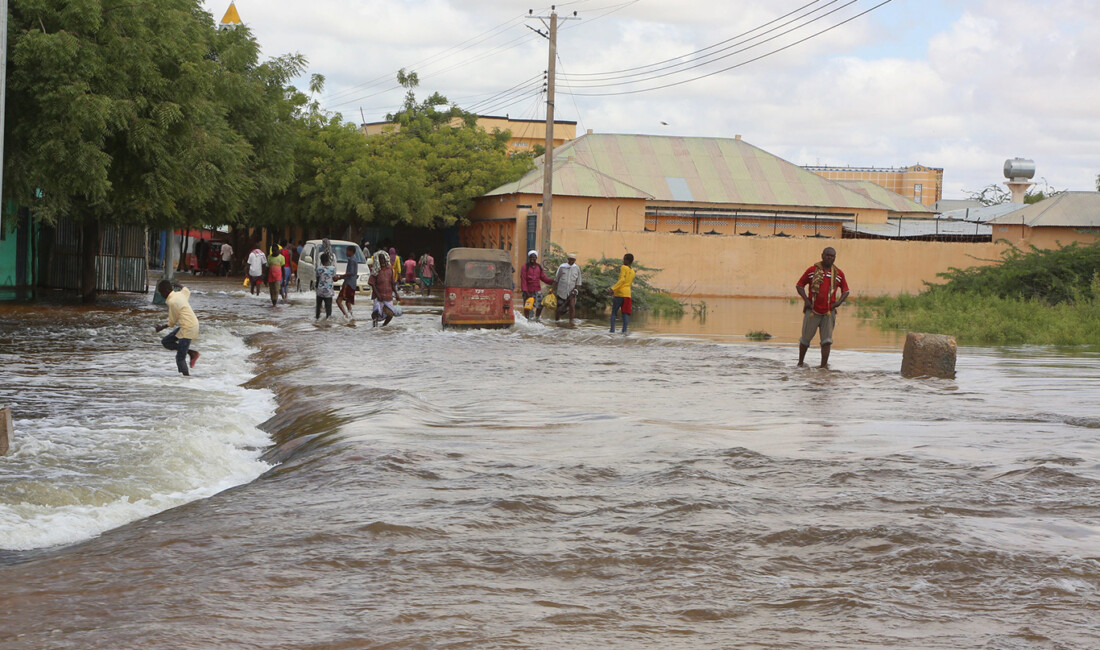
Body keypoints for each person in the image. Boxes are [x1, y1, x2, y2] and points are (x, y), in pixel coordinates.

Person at [795, 246, 850, 368]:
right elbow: (799, 285)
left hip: (829, 313)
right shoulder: (812, 270)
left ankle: (823, 368)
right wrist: (806, 300)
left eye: (832, 256)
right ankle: (800, 364)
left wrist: (838, 303)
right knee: (805, 340)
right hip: (812, 311)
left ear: (835, 258)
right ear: (822, 256)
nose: (829, 258)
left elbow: (846, 291)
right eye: (827, 255)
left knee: (826, 342)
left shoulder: (839, 274)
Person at [154, 279, 200, 376]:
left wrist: (161, 327)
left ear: (166, 291)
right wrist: (179, 285)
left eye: (161, 292)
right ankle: (191, 353)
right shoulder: (179, 294)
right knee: (166, 341)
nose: (161, 295)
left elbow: (172, 321)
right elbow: (187, 291)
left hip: (188, 327)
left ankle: (186, 380)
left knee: (180, 357)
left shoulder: (172, 301)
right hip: (190, 324)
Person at [520, 250, 555, 321]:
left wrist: (553, 281)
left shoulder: (539, 267)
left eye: (534, 257)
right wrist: (526, 292)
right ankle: (527, 320)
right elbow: (523, 280)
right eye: (531, 257)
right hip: (528, 291)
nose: (532, 259)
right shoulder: (525, 267)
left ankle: (537, 318)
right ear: (529, 257)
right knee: (527, 307)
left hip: (537, 290)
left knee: (540, 305)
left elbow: (543, 278)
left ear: (536, 258)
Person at [368, 251, 400, 327]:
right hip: (378, 296)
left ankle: (383, 326)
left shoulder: (390, 269)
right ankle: (374, 327)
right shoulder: (376, 270)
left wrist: (396, 293)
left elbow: (392, 283)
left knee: (390, 314)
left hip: (388, 295)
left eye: (383, 258)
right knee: (376, 313)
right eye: (380, 259)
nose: (382, 260)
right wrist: (378, 295)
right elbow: (372, 283)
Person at [608, 253, 636, 333]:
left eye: (624, 259)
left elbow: (622, 280)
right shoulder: (633, 271)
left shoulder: (623, 267)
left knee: (614, 313)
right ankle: (624, 331)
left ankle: (612, 331)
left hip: (620, 293)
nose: (623, 260)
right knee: (625, 314)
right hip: (628, 294)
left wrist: (612, 289)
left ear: (628, 260)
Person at [553, 252, 583, 323]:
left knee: (572, 306)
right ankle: (557, 322)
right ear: (568, 259)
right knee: (559, 308)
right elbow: (557, 279)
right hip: (561, 291)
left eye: (573, 260)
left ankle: (571, 322)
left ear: (575, 260)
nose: (572, 261)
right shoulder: (562, 267)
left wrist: (575, 289)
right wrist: (553, 289)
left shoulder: (577, 268)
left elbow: (578, 281)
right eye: (570, 260)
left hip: (571, 292)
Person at [336, 245, 359, 319]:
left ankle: (346, 316)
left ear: (351, 252)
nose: (346, 252)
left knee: (338, 301)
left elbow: (350, 272)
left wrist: (340, 277)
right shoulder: (355, 259)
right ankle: (351, 316)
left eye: (347, 251)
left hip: (348, 284)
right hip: (353, 284)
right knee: (348, 302)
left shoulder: (351, 260)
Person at [315, 252, 336, 319]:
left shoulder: (318, 269)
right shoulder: (332, 269)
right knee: (328, 307)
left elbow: (317, 279)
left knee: (318, 306)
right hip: (328, 291)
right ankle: (328, 320)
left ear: (321, 260)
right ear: (328, 260)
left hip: (320, 291)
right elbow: (334, 278)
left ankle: (317, 318)